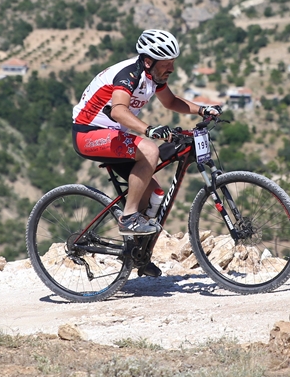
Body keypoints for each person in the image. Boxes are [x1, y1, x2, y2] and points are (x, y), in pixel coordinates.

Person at [71, 29, 219, 261]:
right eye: (166, 63)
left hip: (112, 135)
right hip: (88, 134)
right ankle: (128, 217)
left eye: (173, 63)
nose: (171, 68)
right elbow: (119, 110)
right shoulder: (129, 74)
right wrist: (149, 130)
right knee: (149, 149)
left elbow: (170, 102)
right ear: (148, 61)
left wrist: (202, 109)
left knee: (154, 195)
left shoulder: (153, 76)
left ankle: (136, 255)